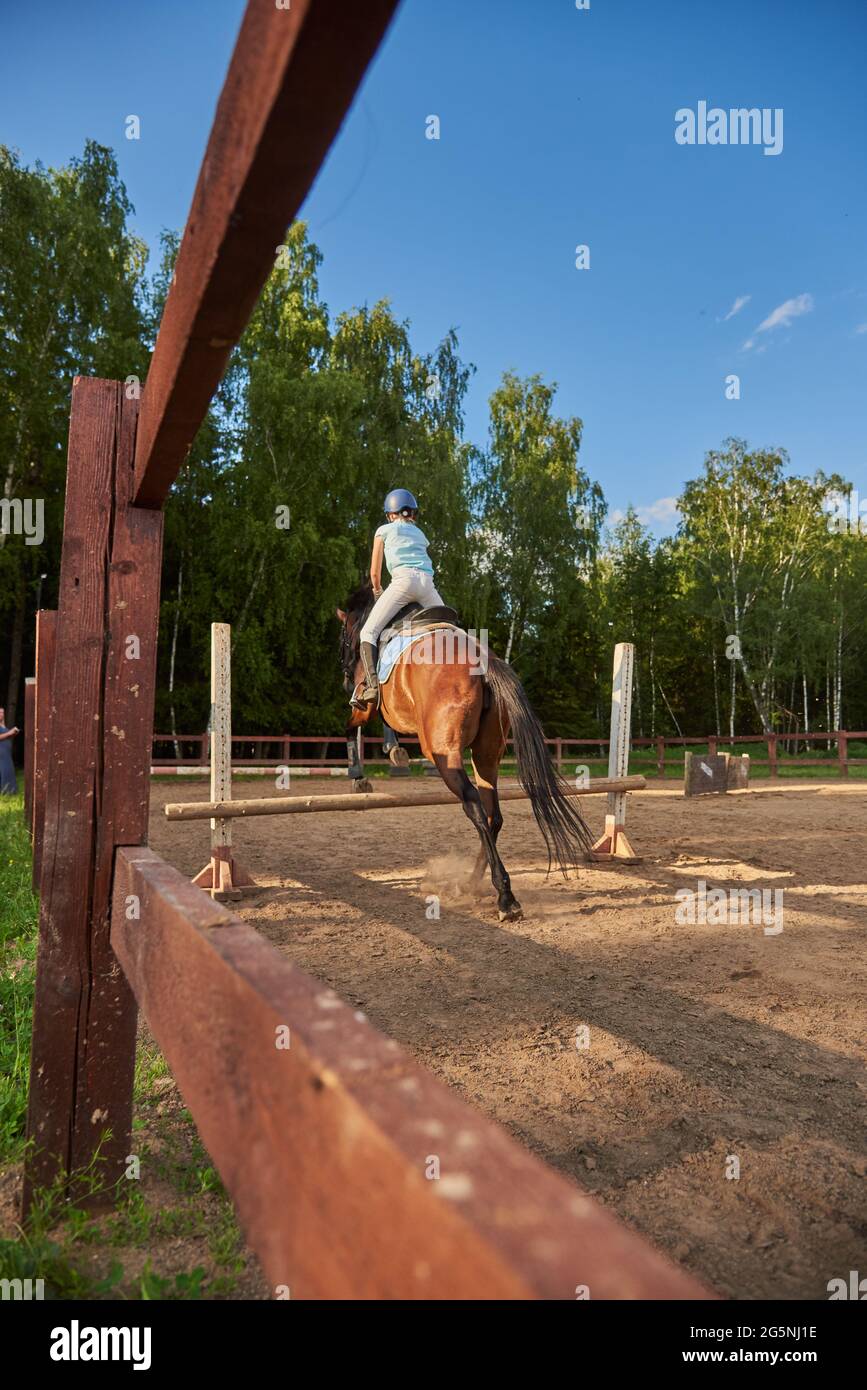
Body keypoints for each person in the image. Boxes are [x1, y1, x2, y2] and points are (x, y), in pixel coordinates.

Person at [352, 489, 445, 707]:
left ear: (390, 514)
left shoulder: (383, 530)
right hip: (428, 585)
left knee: (368, 631)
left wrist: (377, 592)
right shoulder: (421, 534)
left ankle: (373, 688)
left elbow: (375, 574)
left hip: (403, 582)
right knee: (450, 629)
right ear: (411, 513)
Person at [0, 706, 20, 795]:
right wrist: (9, 733)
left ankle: (10, 791)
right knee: (3, 770)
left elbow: (6, 736)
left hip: (6, 752)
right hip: (1, 752)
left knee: (8, 770)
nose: (1, 714)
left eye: (2, 712)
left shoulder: (3, 725)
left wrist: (13, 734)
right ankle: (4, 791)